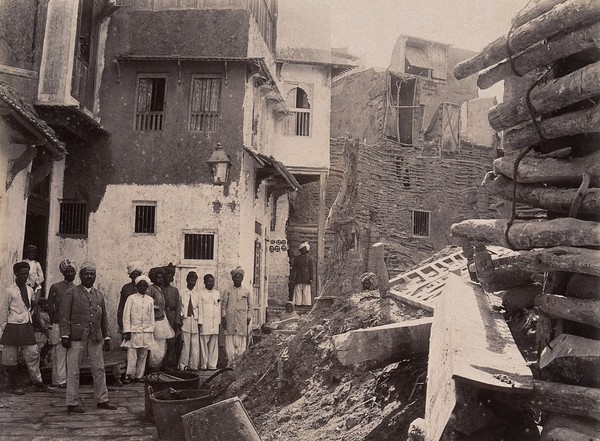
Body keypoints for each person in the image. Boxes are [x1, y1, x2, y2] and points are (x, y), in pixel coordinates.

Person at [59, 262, 117, 413]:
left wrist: (107, 337)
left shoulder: (99, 295)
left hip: (95, 337)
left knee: (99, 369)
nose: (89, 277)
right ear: (80, 276)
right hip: (76, 338)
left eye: (92, 274)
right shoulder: (72, 292)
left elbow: (104, 318)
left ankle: (102, 399)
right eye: (86, 274)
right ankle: (72, 403)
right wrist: (65, 335)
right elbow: (64, 315)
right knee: (74, 370)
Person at [0, 262, 53, 395]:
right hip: (12, 327)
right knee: (10, 358)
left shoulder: (30, 290)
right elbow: (3, 312)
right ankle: (14, 385)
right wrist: (3, 330)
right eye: (22, 273)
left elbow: (29, 308)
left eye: (27, 274)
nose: (25, 276)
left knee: (33, 354)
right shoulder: (9, 291)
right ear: (16, 274)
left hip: (26, 327)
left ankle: (38, 382)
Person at [47, 259, 77, 387]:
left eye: (72, 271)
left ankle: (69, 379)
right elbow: (50, 305)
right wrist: (54, 319)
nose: (70, 274)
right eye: (67, 271)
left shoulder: (77, 288)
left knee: (71, 353)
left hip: (72, 325)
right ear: (63, 273)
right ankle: (59, 380)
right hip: (59, 323)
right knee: (59, 352)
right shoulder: (56, 287)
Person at [121, 275, 155, 383]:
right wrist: (127, 330)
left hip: (146, 330)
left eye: (145, 286)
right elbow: (126, 315)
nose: (142, 288)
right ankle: (129, 375)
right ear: (137, 287)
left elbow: (151, 316)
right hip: (134, 330)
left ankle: (139, 375)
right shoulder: (131, 298)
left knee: (143, 353)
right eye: (140, 286)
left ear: (147, 287)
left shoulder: (150, 300)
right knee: (132, 353)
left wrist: (151, 329)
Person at [221, 267, 253, 366]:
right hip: (230, 318)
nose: (237, 279)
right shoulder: (228, 291)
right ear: (233, 279)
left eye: (239, 278)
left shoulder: (246, 291)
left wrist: (248, 317)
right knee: (230, 339)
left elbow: (251, 306)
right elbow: (224, 305)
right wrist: (223, 317)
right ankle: (230, 362)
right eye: (235, 278)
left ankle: (239, 363)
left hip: (242, 318)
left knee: (241, 339)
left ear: (242, 279)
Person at [147, 267, 174, 370]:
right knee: (155, 344)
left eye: (162, 277)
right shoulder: (151, 289)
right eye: (158, 277)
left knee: (163, 343)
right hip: (154, 320)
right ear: (153, 278)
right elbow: (148, 304)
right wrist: (156, 307)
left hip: (162, 319)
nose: (161, 279)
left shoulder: (159, 290)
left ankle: (161, 365)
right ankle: (153, 366)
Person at [198, 274, 221, 371]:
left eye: (212, 281)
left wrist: (218, 321)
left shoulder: (217, 293)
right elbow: (199, 308)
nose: (211, 283)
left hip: (215, 322)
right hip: (205, 322)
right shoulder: (201, 293)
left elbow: (218, 307)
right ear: (204, 282)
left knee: (214, 345)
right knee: (204, 344)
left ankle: (212, 365)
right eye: (209, 281)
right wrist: (200, 322)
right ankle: (204, 365)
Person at [178, 271, 200, 371]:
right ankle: (183, 365)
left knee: (194, 343)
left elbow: (199, 308)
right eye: (191, 280)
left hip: (194, 319)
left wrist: (200, 320)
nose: (193, 282)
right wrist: (181, 317)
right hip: (185, 319)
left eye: (194, 281)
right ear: (187, 280)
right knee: (185, 344)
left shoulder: (197, 293)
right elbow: (179, 307)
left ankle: (193, 365)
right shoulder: (181, 292)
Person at [161, 264, 181, 370]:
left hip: (172, 317)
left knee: (172, 342)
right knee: (162, 341)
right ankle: (161, 363)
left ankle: (171, 363)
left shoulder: (175, 290)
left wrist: (177, 319)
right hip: (163, 317)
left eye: (170, 276)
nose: (168, 278)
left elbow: (178, 306)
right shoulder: (159, 289)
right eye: (166, 276)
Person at [117, 262, 143, 334]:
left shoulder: (144, 287)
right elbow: (121, 305)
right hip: (127, 318)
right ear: (130, 275)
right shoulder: (126, 288)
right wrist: (120, 320)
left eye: (137, 275)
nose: (135, 276)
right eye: (133, 274)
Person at [290, 242, 313, 307]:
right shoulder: (297, 258)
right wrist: (292, 276)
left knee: (306, 291)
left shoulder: (309, 259)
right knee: (298, 290)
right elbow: (294, 268)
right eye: (302, 249)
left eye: (305, 249)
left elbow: (311, 269)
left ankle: (306, 304)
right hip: (299, 277)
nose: (304, 251)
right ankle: (298, 303)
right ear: (300, 250)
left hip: (306, 277)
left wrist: (311, 278)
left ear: (307, 251)